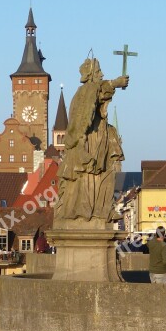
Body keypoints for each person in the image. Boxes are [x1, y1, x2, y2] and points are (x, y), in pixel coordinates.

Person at [55, 57, 128, 224]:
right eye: (98, 72)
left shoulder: (87, 92)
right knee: (90, 175)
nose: (101, 74)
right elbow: (97, 93)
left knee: (105, 172)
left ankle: (102, 209)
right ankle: (91, 211)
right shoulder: (86, 91)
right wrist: (114, 82)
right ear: (90, 75)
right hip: (89, 140)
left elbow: (100, 95)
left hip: (95, 138)